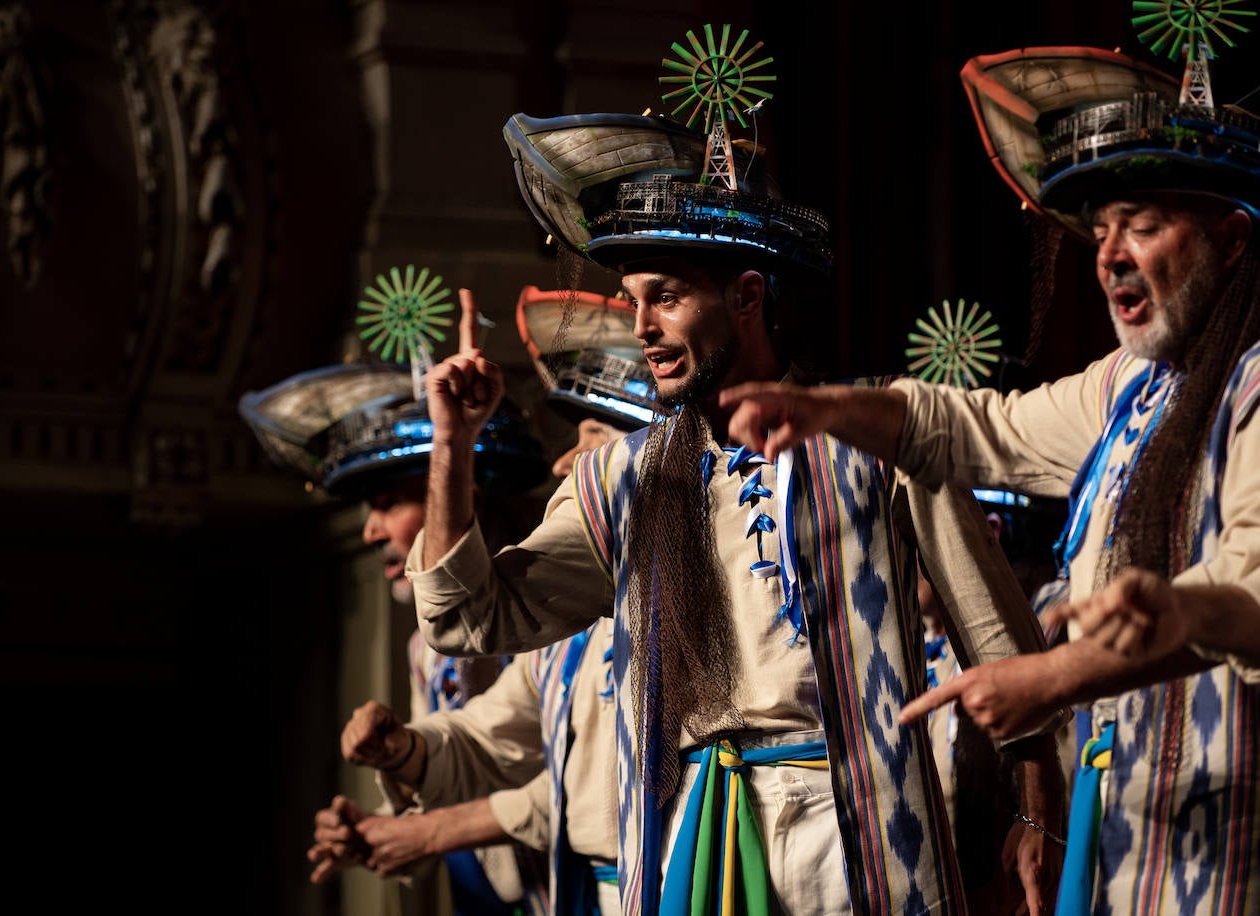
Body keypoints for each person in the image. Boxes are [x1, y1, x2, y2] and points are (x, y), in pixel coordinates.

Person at [408, 104, 1068, 915]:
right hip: (695, 835)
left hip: (858, 834)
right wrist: (452, 446)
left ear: (748, 294)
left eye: (669, 298)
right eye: (633, 299)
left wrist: (1041, 810)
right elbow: (464, 618)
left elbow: (998, 641)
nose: (642, 328)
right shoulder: (621, 478)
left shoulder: (874, 436)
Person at [718, 45, 1260, 914]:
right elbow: (981, 430)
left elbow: (1254, 594)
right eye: (1102, 228)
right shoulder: (1131, 388)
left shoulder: (1254, 386)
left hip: (1229, 843)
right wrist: (822, 409)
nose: (1109, 254)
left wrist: (1085, 662)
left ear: (1232, 241)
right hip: (1130, 829)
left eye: (1143, 226)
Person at [310, 285, 652, 915]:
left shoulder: (671, 608)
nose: (565, 464)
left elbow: (598, 786)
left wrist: (426, 829)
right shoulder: (538, 641)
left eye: (593, 437)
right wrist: (399, 769)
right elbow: (485, 744)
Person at [238, 294, 551, 915]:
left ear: (466, 491)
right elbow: (453, 773)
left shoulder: (557, 623)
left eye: (387, 502)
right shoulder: (424, 652)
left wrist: (421, 829)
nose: (370, 530)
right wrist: (378, 821)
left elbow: (586, 788)